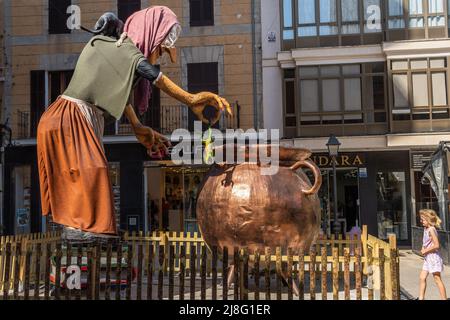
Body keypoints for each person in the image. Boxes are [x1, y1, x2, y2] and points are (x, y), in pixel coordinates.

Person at [37, 7, 231, 241]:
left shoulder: (119, 59)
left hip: (66, 118)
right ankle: (82, 232)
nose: (158, 57)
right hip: (71, 116)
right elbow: (152, 74)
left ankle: (83, 231)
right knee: (93, 170)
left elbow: (125, 101)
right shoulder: (124, 49)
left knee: (84, 173)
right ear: (150, 35)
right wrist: (190, 98)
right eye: (160, 50)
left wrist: (139, 127)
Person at [417, 209, 447, 300]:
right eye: (421, 219)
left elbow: (436, 245)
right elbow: (426, 242)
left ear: (428, 219)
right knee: (422, 277)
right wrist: (423, 248)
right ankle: (421, 298)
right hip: (427, 258)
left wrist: (425, 251)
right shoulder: (426, 229)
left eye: (423, 219)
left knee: (437, 279)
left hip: (433, 258)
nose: (421, 221)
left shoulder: (431, 229)